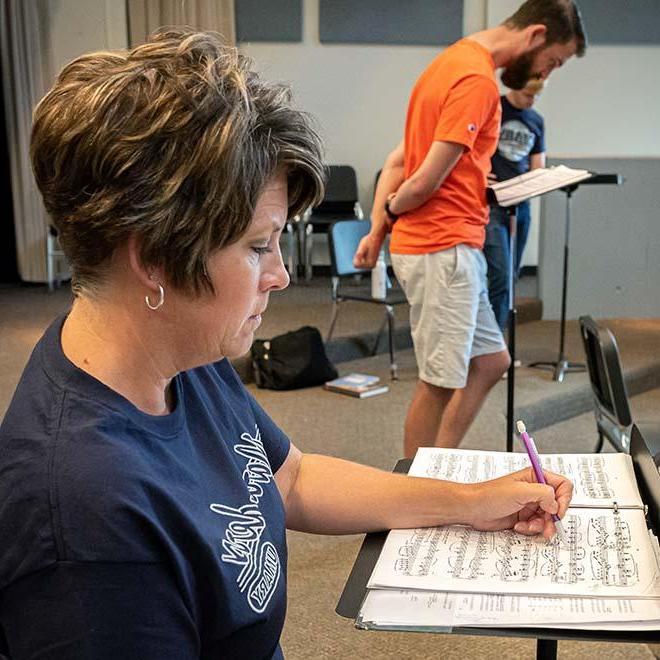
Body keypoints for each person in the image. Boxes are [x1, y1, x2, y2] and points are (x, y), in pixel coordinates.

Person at [0, 29, 573, 660]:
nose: (282, 274)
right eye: (256, 246)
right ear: (156, 257)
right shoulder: (88, 519)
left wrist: (469, 503)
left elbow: (290, 477)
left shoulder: (180, 355)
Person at [354, 0, 586, 458]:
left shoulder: (447, 63)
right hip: (443, 247)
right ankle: (414, 491)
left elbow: (399, 160)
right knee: (440, 382)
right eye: (553, 61)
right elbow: (423, 180)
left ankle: (442, 462)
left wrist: (378, 230)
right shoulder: (476, 80)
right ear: (536, 34)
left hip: (451, 245)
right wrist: (395, 211)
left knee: (491, 361)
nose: (547, 73)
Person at [485, 77, 546, 331]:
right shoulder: (494, 109)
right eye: (527, 95)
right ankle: (492, 345)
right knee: (500, 274)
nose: (530, 101)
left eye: (535, 97)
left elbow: (537, 163)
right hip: (494, 205)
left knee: (512, 275)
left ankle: (499, 341)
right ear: (515, 86)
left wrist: (537, 181)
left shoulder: (536, 121)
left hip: (521, 206)